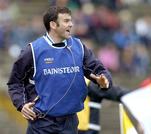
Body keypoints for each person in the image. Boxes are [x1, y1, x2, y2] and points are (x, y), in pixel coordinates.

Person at [7, 6, 112, 134]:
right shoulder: (33, 51)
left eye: (71, 20)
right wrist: (21, 104)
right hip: (42, 124)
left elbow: (98, 69)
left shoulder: (79, 46)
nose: (71, 24)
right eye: (66, 21)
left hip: (70, 123)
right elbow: (15, 82)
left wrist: (105, 80)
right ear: (53, 24)